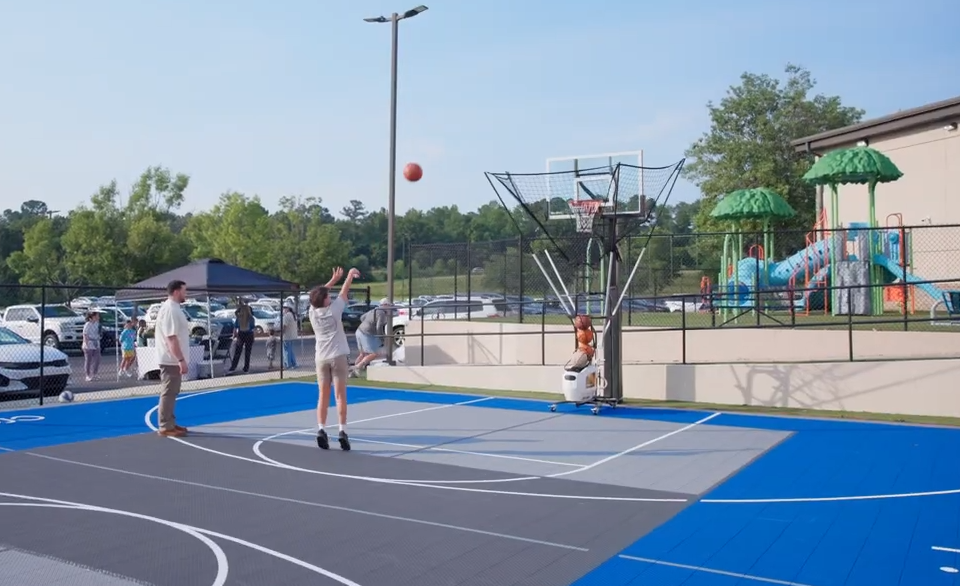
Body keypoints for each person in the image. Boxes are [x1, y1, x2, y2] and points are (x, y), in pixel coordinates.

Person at [309, 266, 360, 451]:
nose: (330, 296)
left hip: (321, 358)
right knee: (340, 396)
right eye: (327, 295)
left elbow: (316, 296)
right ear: (324, 300)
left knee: (323, 395)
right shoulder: (334, 310)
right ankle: (342, 431)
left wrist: (331, 281)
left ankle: (321, 429)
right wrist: (349, 275)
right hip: (337, 356)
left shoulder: (312, 313)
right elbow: (345, 291)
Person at [154, 279, 191, 437]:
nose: (186, 293)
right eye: (184, 290)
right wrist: (180, 359)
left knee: (173, 391)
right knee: (168, 392)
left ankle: (170, 422)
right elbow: (171, 338)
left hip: (174, 359)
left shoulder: (174, 308)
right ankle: (165, 425)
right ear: (176, 292)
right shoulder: (170, 309)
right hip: (170, 359)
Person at [352, 298, 392, 375]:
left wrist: (367, 323)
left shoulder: (373, 310)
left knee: (362, 354)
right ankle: (358, 366)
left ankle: (352, 372)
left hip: (359, 331)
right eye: (389, 305)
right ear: (385, 305)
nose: (390, 308)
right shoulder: (381, 313)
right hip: (366, 333)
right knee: (373, 354)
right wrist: (382, 338)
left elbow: (362, 317)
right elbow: (379, 326)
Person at [228, 299, 255, 373]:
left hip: (241, 334)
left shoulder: (239, 318)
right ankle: (246, 368)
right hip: (249, 334)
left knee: (238, 352)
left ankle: (233, 367)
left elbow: (235, 327)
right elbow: (252, 328)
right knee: (247, 352)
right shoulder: (251, 318)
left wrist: (235, 335)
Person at [81, 310, 101, 382]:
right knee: (88, 360)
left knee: (97, 359)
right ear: (92, 317)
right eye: (97, 316)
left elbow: (98, 332)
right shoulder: (87, 324)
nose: (98, 317)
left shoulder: (97, 323)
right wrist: (86, 344)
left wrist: (98, 337)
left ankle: (94, 374)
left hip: (96, 342)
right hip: (89, 343)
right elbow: (85, 334)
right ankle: (87, 375)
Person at [281, 304, 299, 369]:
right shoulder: (293, 315)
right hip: (292, 335)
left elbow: (284, 326)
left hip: (287, 336)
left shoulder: (287, 316)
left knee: (286, 351)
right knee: (290, 350)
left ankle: (288, 364)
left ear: (288, 308)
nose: (283, 309)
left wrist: (281, 334)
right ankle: (294, 363)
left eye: (284, 308)